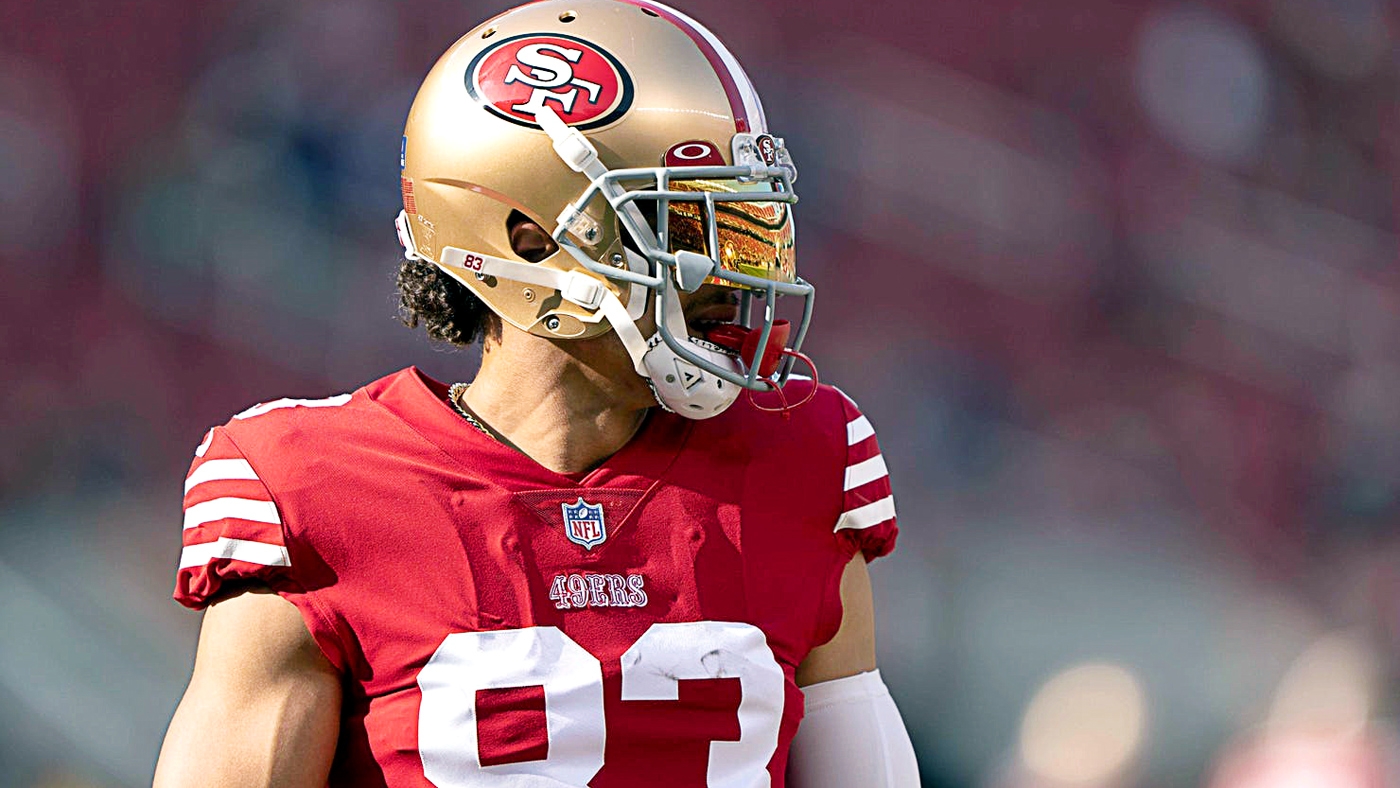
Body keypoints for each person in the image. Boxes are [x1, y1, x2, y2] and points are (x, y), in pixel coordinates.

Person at [153, 1, 920, 785]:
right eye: (689, 229)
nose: (734, 278)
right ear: (530, 239)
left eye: (751, 228)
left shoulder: (802, 458)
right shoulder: (315, 488)